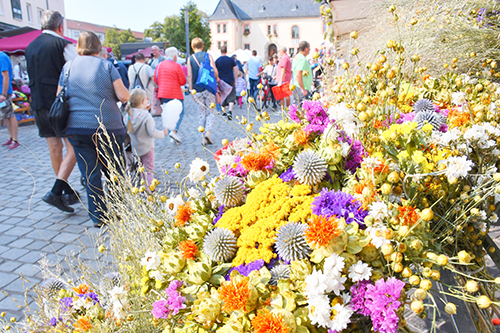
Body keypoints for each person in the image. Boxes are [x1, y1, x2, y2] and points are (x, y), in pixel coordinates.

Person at [60, 31, 130, 227]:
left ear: (79, 46)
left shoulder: (68, 67)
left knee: (90, 173)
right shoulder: (107, 66)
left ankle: (98, 217)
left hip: (78, 128)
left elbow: (60, 95)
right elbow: (123, 96)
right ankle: (118, 210)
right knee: (114, 171)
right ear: (98, 46)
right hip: (108, 127)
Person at [25, 10, 79, 213]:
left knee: (54, 148)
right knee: (73, 147)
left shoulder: (30, 47)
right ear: (60, 27)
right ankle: (58, 190)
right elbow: (76, 70)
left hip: (39, 103)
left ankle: (65, 191)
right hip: (60, 105)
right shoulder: (63, 45)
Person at [125, 89, 168, 186]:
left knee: (142, 169)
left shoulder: (128, 115)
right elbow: (152, 132)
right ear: (143, 102)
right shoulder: (146, 116)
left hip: (136, 147)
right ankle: (148, 191)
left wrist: (144, 110)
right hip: (147, 147)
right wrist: (163, 133)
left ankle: (143, 187)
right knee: (149, 169)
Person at [187, 37, 219, 146]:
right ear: (202, 45)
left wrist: (191, 90)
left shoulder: (190, 58)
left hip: (197, 89)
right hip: (209, 88)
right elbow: (214, 70)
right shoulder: (208, 56)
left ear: (193, 47)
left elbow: (190, 75)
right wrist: (217, 79)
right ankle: (208, 133)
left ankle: (202, 136)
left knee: (201, 113)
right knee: (211, 111)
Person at [154, 47, 187, 143]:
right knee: (180, 112)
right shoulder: (177, 66)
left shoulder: (159, 65)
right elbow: (183, 81)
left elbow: (155, 79)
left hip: (163, 93)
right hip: (174, 93)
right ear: (175, 56)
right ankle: (174, 131)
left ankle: (171, 134)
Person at [0, 52, 19, 150]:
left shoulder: (2, 57)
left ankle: (15, 140)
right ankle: (11, 137)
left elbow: (6, 76)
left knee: (10, 115)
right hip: (2, 92)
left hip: (4, 91)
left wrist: (3, 93)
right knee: (5, 115)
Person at [215, 45, 238, 120]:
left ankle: (224, 111)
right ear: (226, 51)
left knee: (222, 95)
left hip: (221, 81)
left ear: (220, 51)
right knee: (231, 95)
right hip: (230, 80)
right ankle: (230, 111)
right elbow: (235, 69)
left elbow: (215, 71)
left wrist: (217, 79)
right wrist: (236, 79)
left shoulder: (217, 60)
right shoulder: (231, 60)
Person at [149, 45, 165, 116]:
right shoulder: (151, 60)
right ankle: (155, 109)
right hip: (152, 81)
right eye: (152, 50)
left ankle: (160, 110)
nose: (153, 52)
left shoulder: (162, 59)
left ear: (158, 50)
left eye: (155, 50)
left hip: (160, 81)